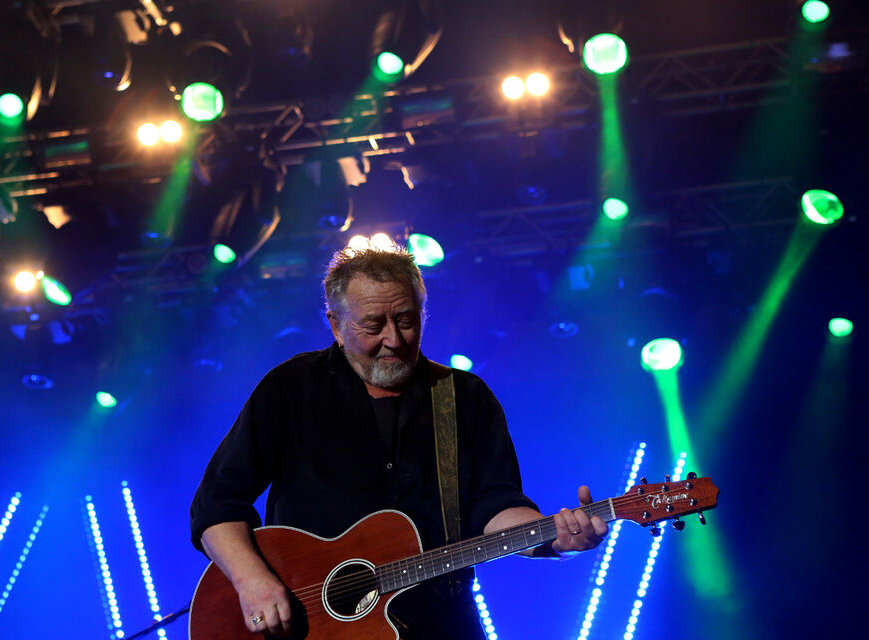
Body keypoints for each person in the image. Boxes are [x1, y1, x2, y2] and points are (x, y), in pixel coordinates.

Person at [190, 246, 608, 639]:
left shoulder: (464, 396)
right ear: (336, 326)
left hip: (441, 623)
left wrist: (555, 539)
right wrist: (252, 581)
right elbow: (217, 504)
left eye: (406, 320)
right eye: (373, 325)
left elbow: (495, 504)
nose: (393, 339)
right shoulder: (291, 387)